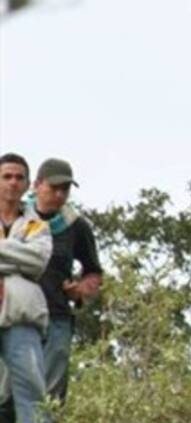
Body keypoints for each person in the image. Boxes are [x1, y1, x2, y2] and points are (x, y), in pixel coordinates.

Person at [29, 158, 103, 405]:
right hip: (15, 315)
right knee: (5, 397)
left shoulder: (76, 226)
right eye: (54, 187)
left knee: (51, 397)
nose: (59, 194)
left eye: (65, 189)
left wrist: (81, 290)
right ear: (37, 185)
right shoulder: (16, 217)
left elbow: (94, 272)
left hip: (56, 317)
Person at [0, 153, 56, 423]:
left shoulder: (38, 225)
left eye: (19, 177)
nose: (13, 182)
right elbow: (26, 259)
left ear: (27, 184)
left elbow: (37, 262)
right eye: (7, 176)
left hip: (22, 316)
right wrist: (16, 255)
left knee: (32, 387)